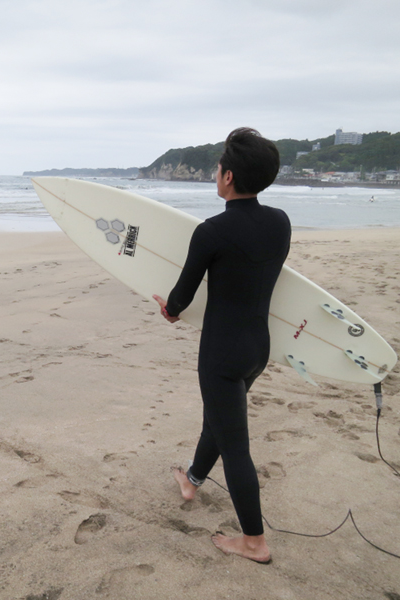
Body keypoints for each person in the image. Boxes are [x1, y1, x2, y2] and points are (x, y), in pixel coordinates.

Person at [153, 128, 291, 564]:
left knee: (236, 448)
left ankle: (254, 541)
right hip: (257, 350)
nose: (216, 175)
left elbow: (180, 301)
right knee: (221, 417)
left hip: (222, 354)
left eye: (217, 169)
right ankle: (191, 479)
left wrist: (168, 309)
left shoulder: (211, 231)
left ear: (228, 177)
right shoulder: (281, 222)